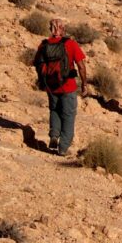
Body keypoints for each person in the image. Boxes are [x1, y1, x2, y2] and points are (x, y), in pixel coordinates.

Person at [33, 18, 88, 157]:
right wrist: (84, 84)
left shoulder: (44, 45)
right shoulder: (70, 44)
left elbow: (37, 63)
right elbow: (81, 66)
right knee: (68, 115)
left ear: (50, 29)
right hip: (68, 86)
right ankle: (63, 147)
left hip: (51, 86)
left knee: (54, 110)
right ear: (62, 29)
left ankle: (54, 136)